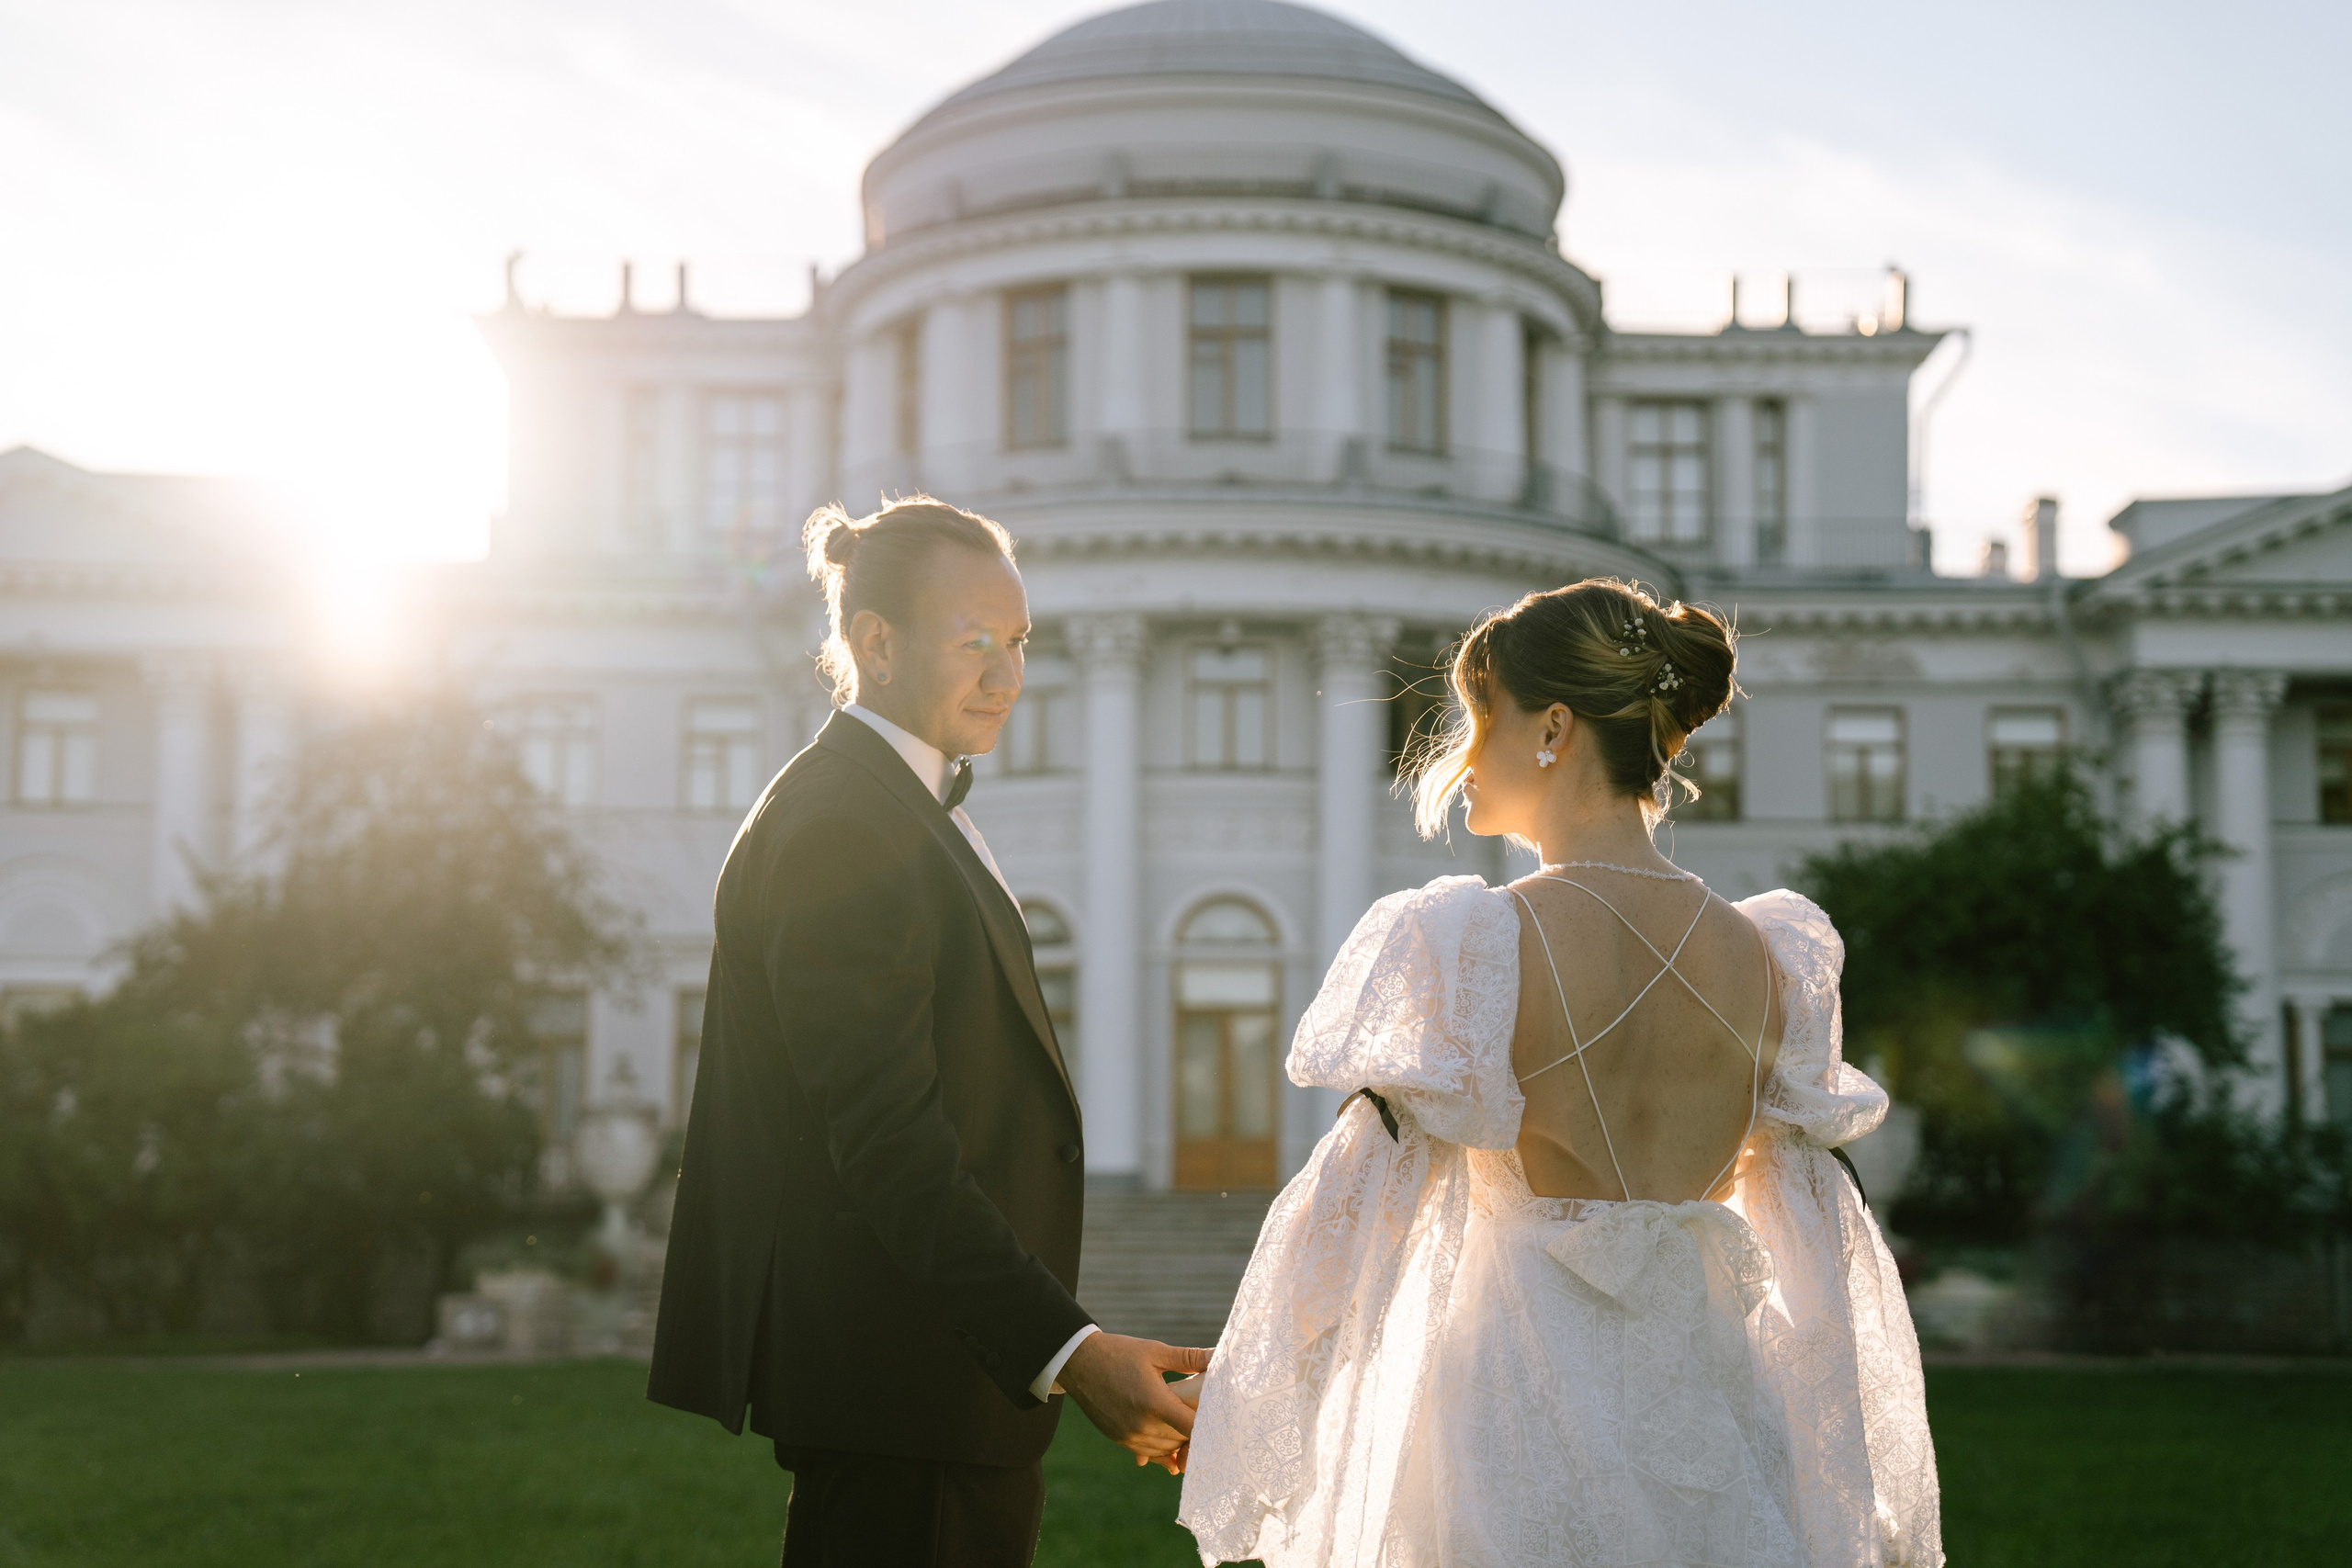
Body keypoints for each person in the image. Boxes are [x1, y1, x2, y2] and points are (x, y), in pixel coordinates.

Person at [1176, 579, 1942, 1567]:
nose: (1460, 754)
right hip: (1709, 1405)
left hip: (1515, 1405)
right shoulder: (1764, 957)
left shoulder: (1476, 943)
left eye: (1476, 718)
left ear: (1550, 728)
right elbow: (1810, 1234)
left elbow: (1366, 1199)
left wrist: (1248, 1387)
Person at [650, 496, 1209, 1568]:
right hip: (900, 1395)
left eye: (1019, 645)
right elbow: (887, 1143)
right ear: (875, 641)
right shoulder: (842, 826)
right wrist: (1073, 1353)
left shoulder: (895, 807)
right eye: (974, 646)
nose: (1008, 677)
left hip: (935, 1395)